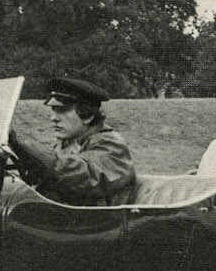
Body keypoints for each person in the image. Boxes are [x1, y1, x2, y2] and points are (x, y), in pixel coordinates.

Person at [8, 77, 137, 208]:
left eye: (62, 110)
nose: (54, 118)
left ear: (87, 115)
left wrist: (22, 145)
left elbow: (79, 175)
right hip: (64, 219)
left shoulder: (110, 145)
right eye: (53, 110)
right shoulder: (69, 144)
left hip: (98, 223)